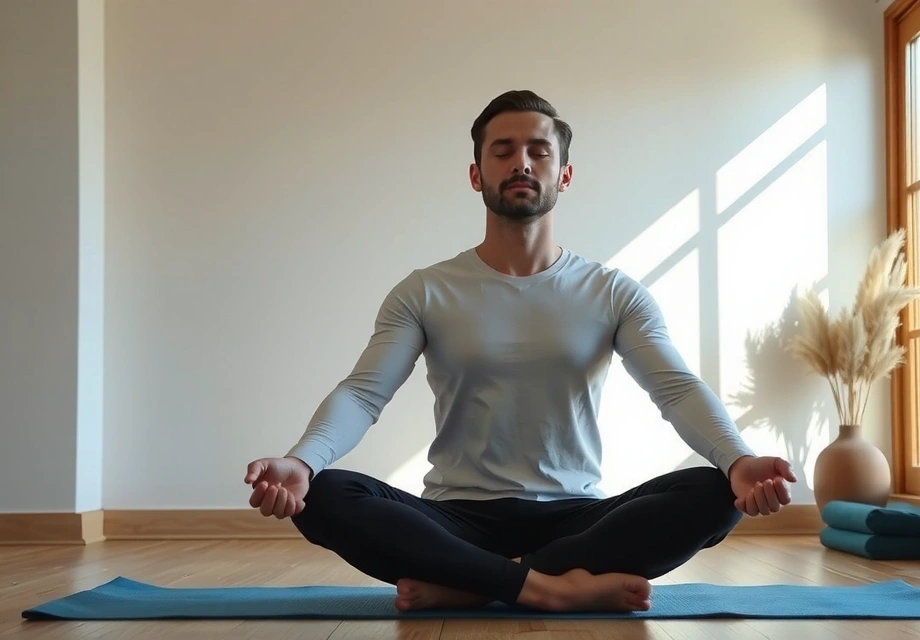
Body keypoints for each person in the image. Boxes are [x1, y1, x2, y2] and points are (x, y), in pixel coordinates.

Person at [244, 90, 798, 614]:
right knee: (327, 491)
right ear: (476, 174)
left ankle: (474, 586)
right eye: (502, 151)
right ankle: (550, 590)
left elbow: (674, 389)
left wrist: (738, 459)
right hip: (455, 517)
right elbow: (364, 394)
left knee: (714, 490)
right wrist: (303, 459)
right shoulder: (426, 290)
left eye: (539, 151)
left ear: (565, 174)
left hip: (577, 518)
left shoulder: (613, 291)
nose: (522, 163)